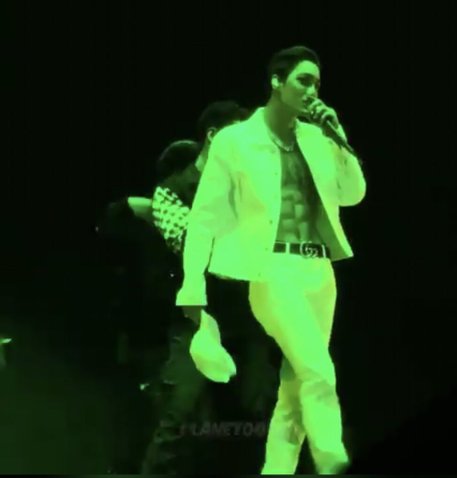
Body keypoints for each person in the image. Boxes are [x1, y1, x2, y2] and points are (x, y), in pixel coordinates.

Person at [176, 46, 367, 475]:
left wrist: (339, 135)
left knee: (294, 387)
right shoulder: (236, 140)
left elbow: (353, 194)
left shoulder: (317, 139)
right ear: (277, 82)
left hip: (320, 270)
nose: (312, 90)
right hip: (273, 270)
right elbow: (204, 217)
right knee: (318, 372)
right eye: (303, 80)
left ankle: (276, 471)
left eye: (317, 82)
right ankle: (335, 464)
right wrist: (192, 285)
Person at [141, 101, 287, 475]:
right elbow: (199, 248)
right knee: (180, 414)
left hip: (248, 320)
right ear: (213, 136)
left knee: (260, 415)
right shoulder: (171, 191)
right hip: (197, 321)